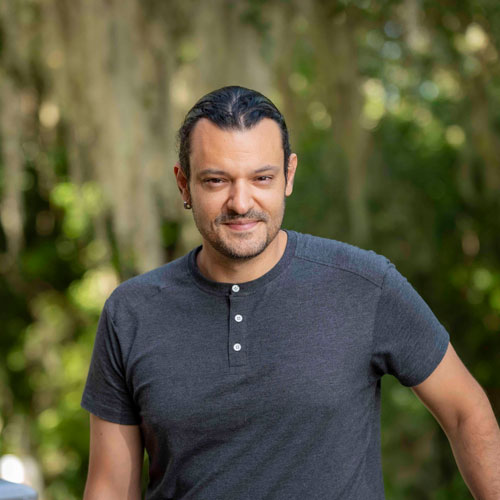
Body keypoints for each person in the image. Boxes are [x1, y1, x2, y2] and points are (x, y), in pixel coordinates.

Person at [81, 86, 500, 500]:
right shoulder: (131, 312)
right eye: (216, 180)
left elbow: (467, 414)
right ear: (184, 184)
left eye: (261, 177)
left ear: (289, 175)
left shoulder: (365, 284)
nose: (241, 202)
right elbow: (111, 486)